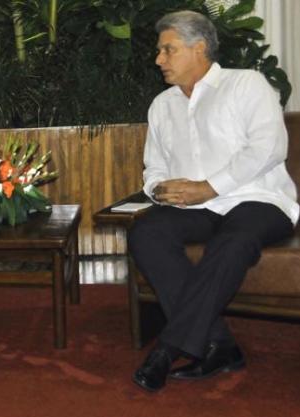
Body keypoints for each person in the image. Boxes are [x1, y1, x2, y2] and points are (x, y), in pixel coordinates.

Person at [128, 11, 298, 392]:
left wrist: (209, 187)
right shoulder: (162, 105)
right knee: (146, 232)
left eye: (167, 50)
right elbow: (153, 166)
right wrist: (159, 189)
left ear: (198, 48)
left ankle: (168, 348)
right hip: (196, 208)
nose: (159, 60)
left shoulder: (246, 84)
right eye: (160, 51)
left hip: (259, 200)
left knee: (234, 241)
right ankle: (219, 344)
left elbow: (270, 147)